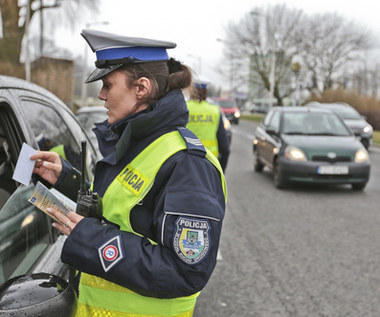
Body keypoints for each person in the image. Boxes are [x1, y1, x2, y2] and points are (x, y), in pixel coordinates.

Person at [30, 29, 226, 317]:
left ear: (142, 88)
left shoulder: (188, 164)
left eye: (108, 85)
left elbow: (185, 272)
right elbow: (121, 212)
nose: (101, 95)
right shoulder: (137, 143)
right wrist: (65, 180)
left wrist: (89, 239)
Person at [186, 79, 230, 171]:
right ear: (206, 92)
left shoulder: (183, 108)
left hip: (186, 163)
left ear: (191, 90)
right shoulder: (214, 111)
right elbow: (225, 148)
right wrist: (220, 171)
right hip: (209, 164)